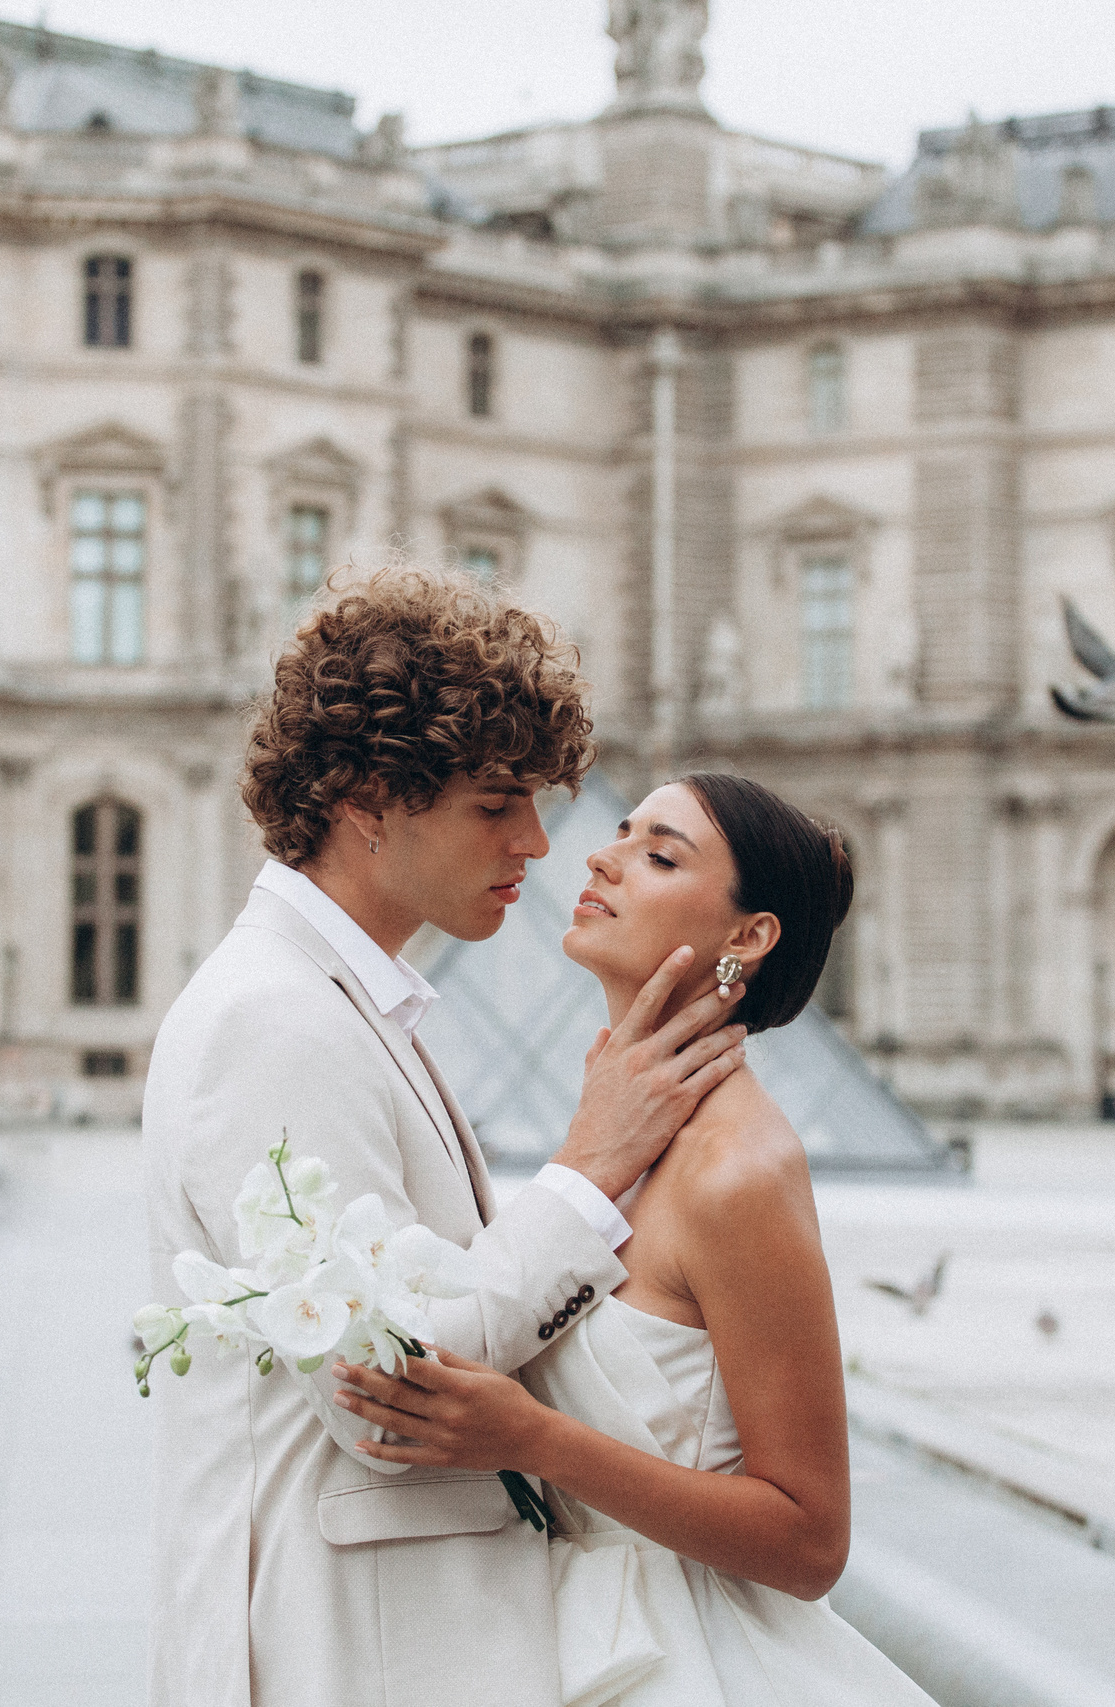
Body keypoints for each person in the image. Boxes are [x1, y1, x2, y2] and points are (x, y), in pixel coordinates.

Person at [141, 568, 751, 1707]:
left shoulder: (336, 999)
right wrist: (590, 1169)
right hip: (342, 1653)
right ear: (372, 796)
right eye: (495, 803)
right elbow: (384, 1388)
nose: (536, 840)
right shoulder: (272, 1020)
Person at [330, 772, 939, 1706]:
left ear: (749, 936)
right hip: (574, 1641)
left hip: (701, 1663)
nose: (600, 857)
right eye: (620, 830)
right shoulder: (621, 1131)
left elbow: (812, 1540)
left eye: (659, 855)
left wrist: (537, 1438)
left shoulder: (738, 1170)